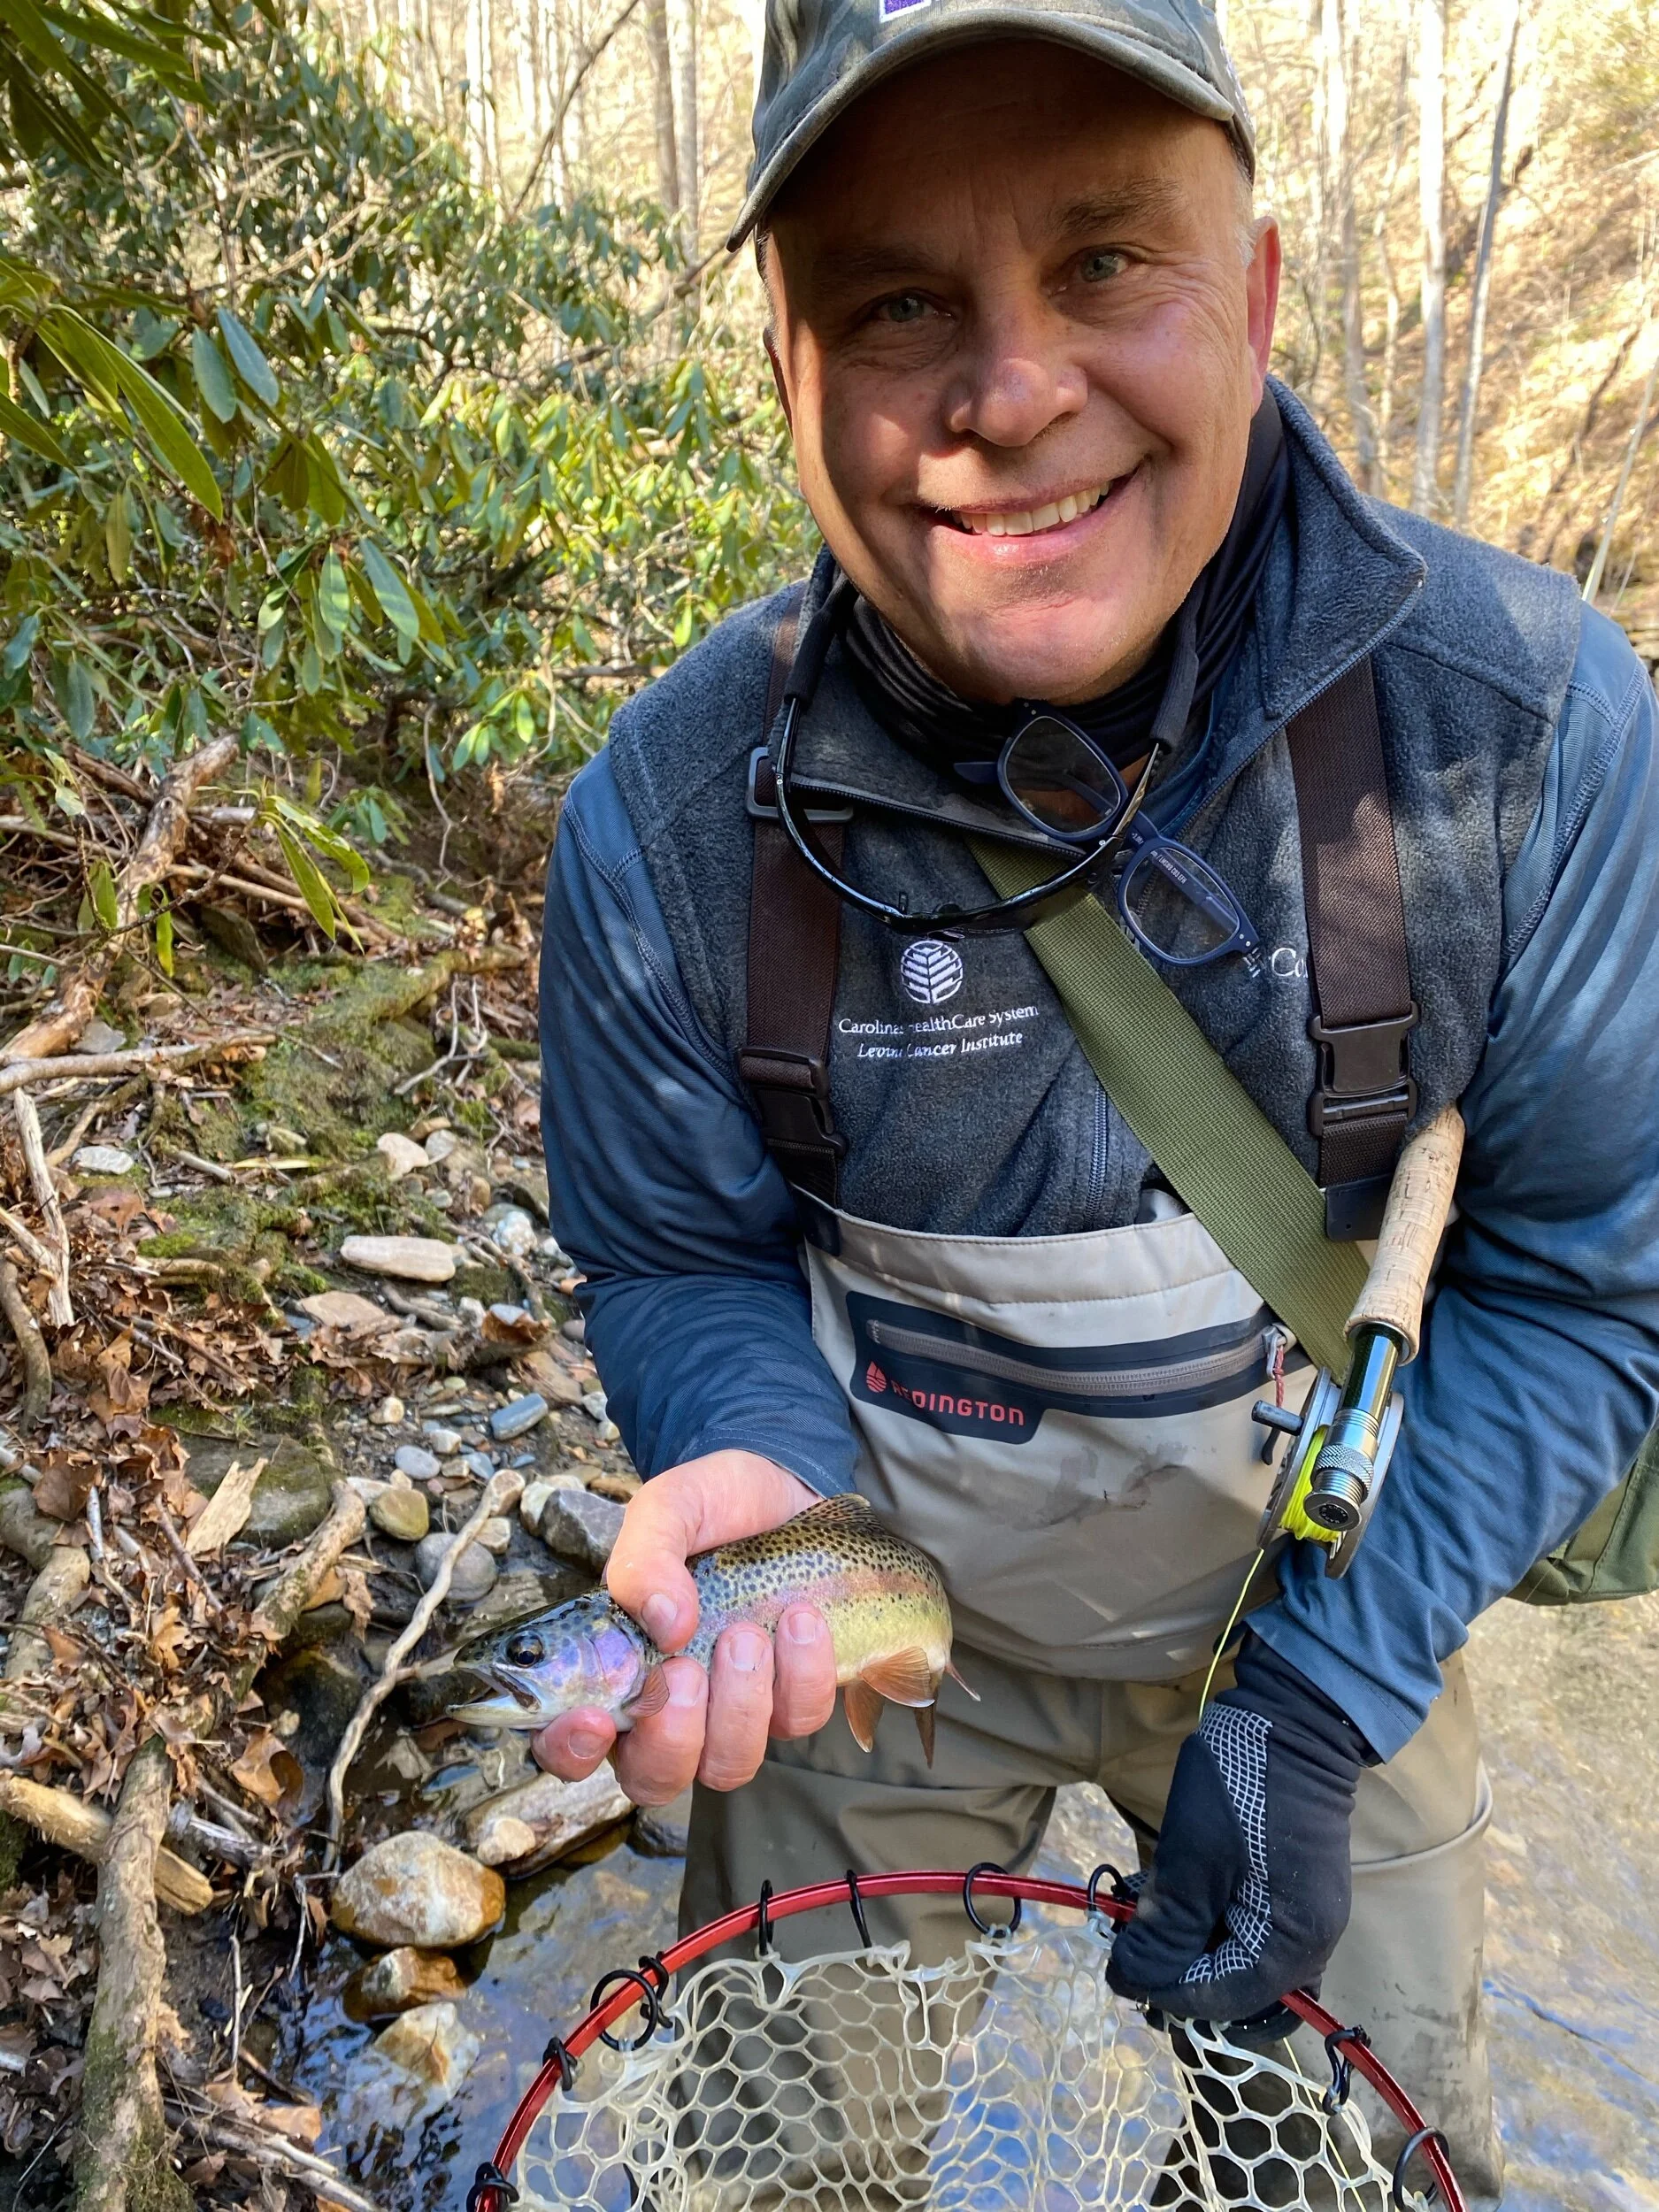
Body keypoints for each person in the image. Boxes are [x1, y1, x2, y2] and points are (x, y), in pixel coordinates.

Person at [532, 2, 1659, 2199]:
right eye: (894, 301)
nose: (1010, 391)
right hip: (869, 1619)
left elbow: (1585, 1285)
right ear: (785, 364)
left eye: (1105, 263)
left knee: (1335, 2168)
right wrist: (752, 1470)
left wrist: (1320, 1692)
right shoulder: (665, 821)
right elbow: (673, 1249)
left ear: (1252, 287)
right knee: (768, 2161)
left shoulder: (1523, 733)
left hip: (1337, 1595)